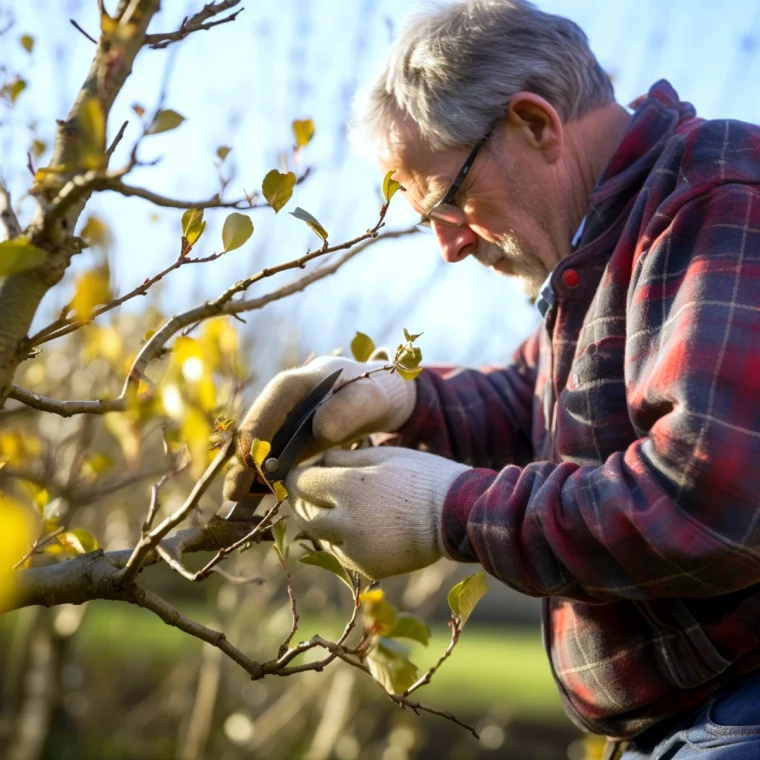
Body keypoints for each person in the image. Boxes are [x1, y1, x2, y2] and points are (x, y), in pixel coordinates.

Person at [223, 2, 760, 757]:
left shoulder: (717, 198)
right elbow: (535, 402)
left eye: (446, 200)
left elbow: (709, 503)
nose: (446, 245)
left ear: (535, 125)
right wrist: (403, 398)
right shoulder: (603, 243)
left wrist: (448, 509)